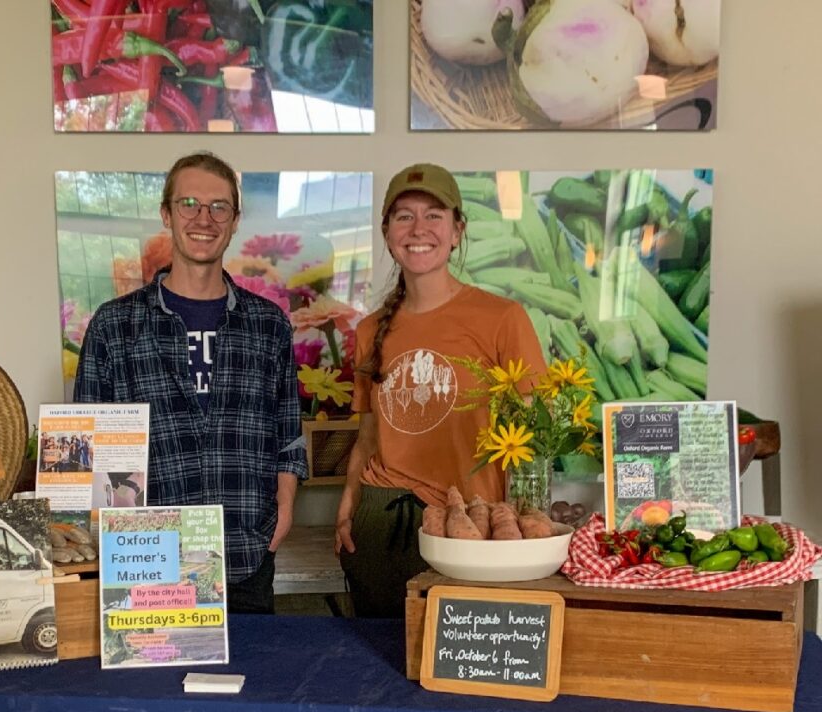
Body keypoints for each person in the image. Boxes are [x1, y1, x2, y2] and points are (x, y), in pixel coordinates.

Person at [74, 151, 307, 614]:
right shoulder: (114, 325)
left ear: (235, 219)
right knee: (153, 687)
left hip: (245, 550)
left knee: (250, 683)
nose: (204, 218)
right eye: (189, 204)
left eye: (219, 206)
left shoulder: (268, 325)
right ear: (167, 213)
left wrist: (281, 516)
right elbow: (89, 454)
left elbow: (288, 431)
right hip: (147, 561)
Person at [334, 163, 547, 618]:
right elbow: (368, 438)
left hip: (473, 528)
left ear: (457, 231)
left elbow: (532, 445)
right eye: (404, 216)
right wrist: (348, 509)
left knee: (465, 669)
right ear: (387, 231)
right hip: (381, 518)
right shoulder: (372, 329)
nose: (419, 229)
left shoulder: (502, 318)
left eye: (434, 215)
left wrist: (521, 527)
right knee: (381, 662)